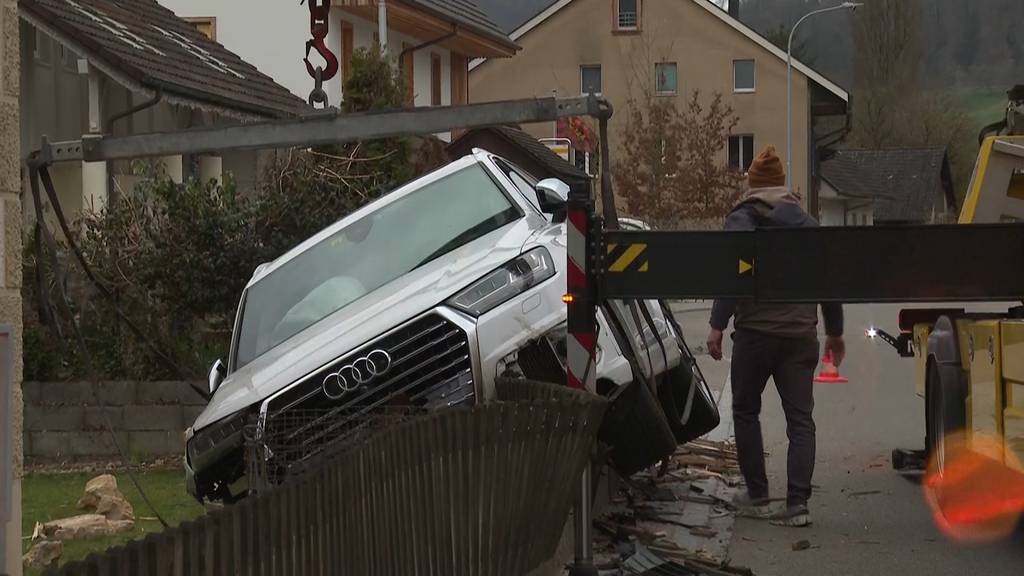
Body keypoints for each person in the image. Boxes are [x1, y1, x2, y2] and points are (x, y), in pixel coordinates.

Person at [706, 145, 844, 528]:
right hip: (800, 336)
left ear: (753, 184)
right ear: (782, 185)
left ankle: (759, 495)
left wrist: (718, 324)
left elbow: (733, 273)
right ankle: (798, 505)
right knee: (801, 420)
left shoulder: (742, 220)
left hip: (756, 335)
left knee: (746, 411)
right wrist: (834, 332)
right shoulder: (808, 224)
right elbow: (828, 280)